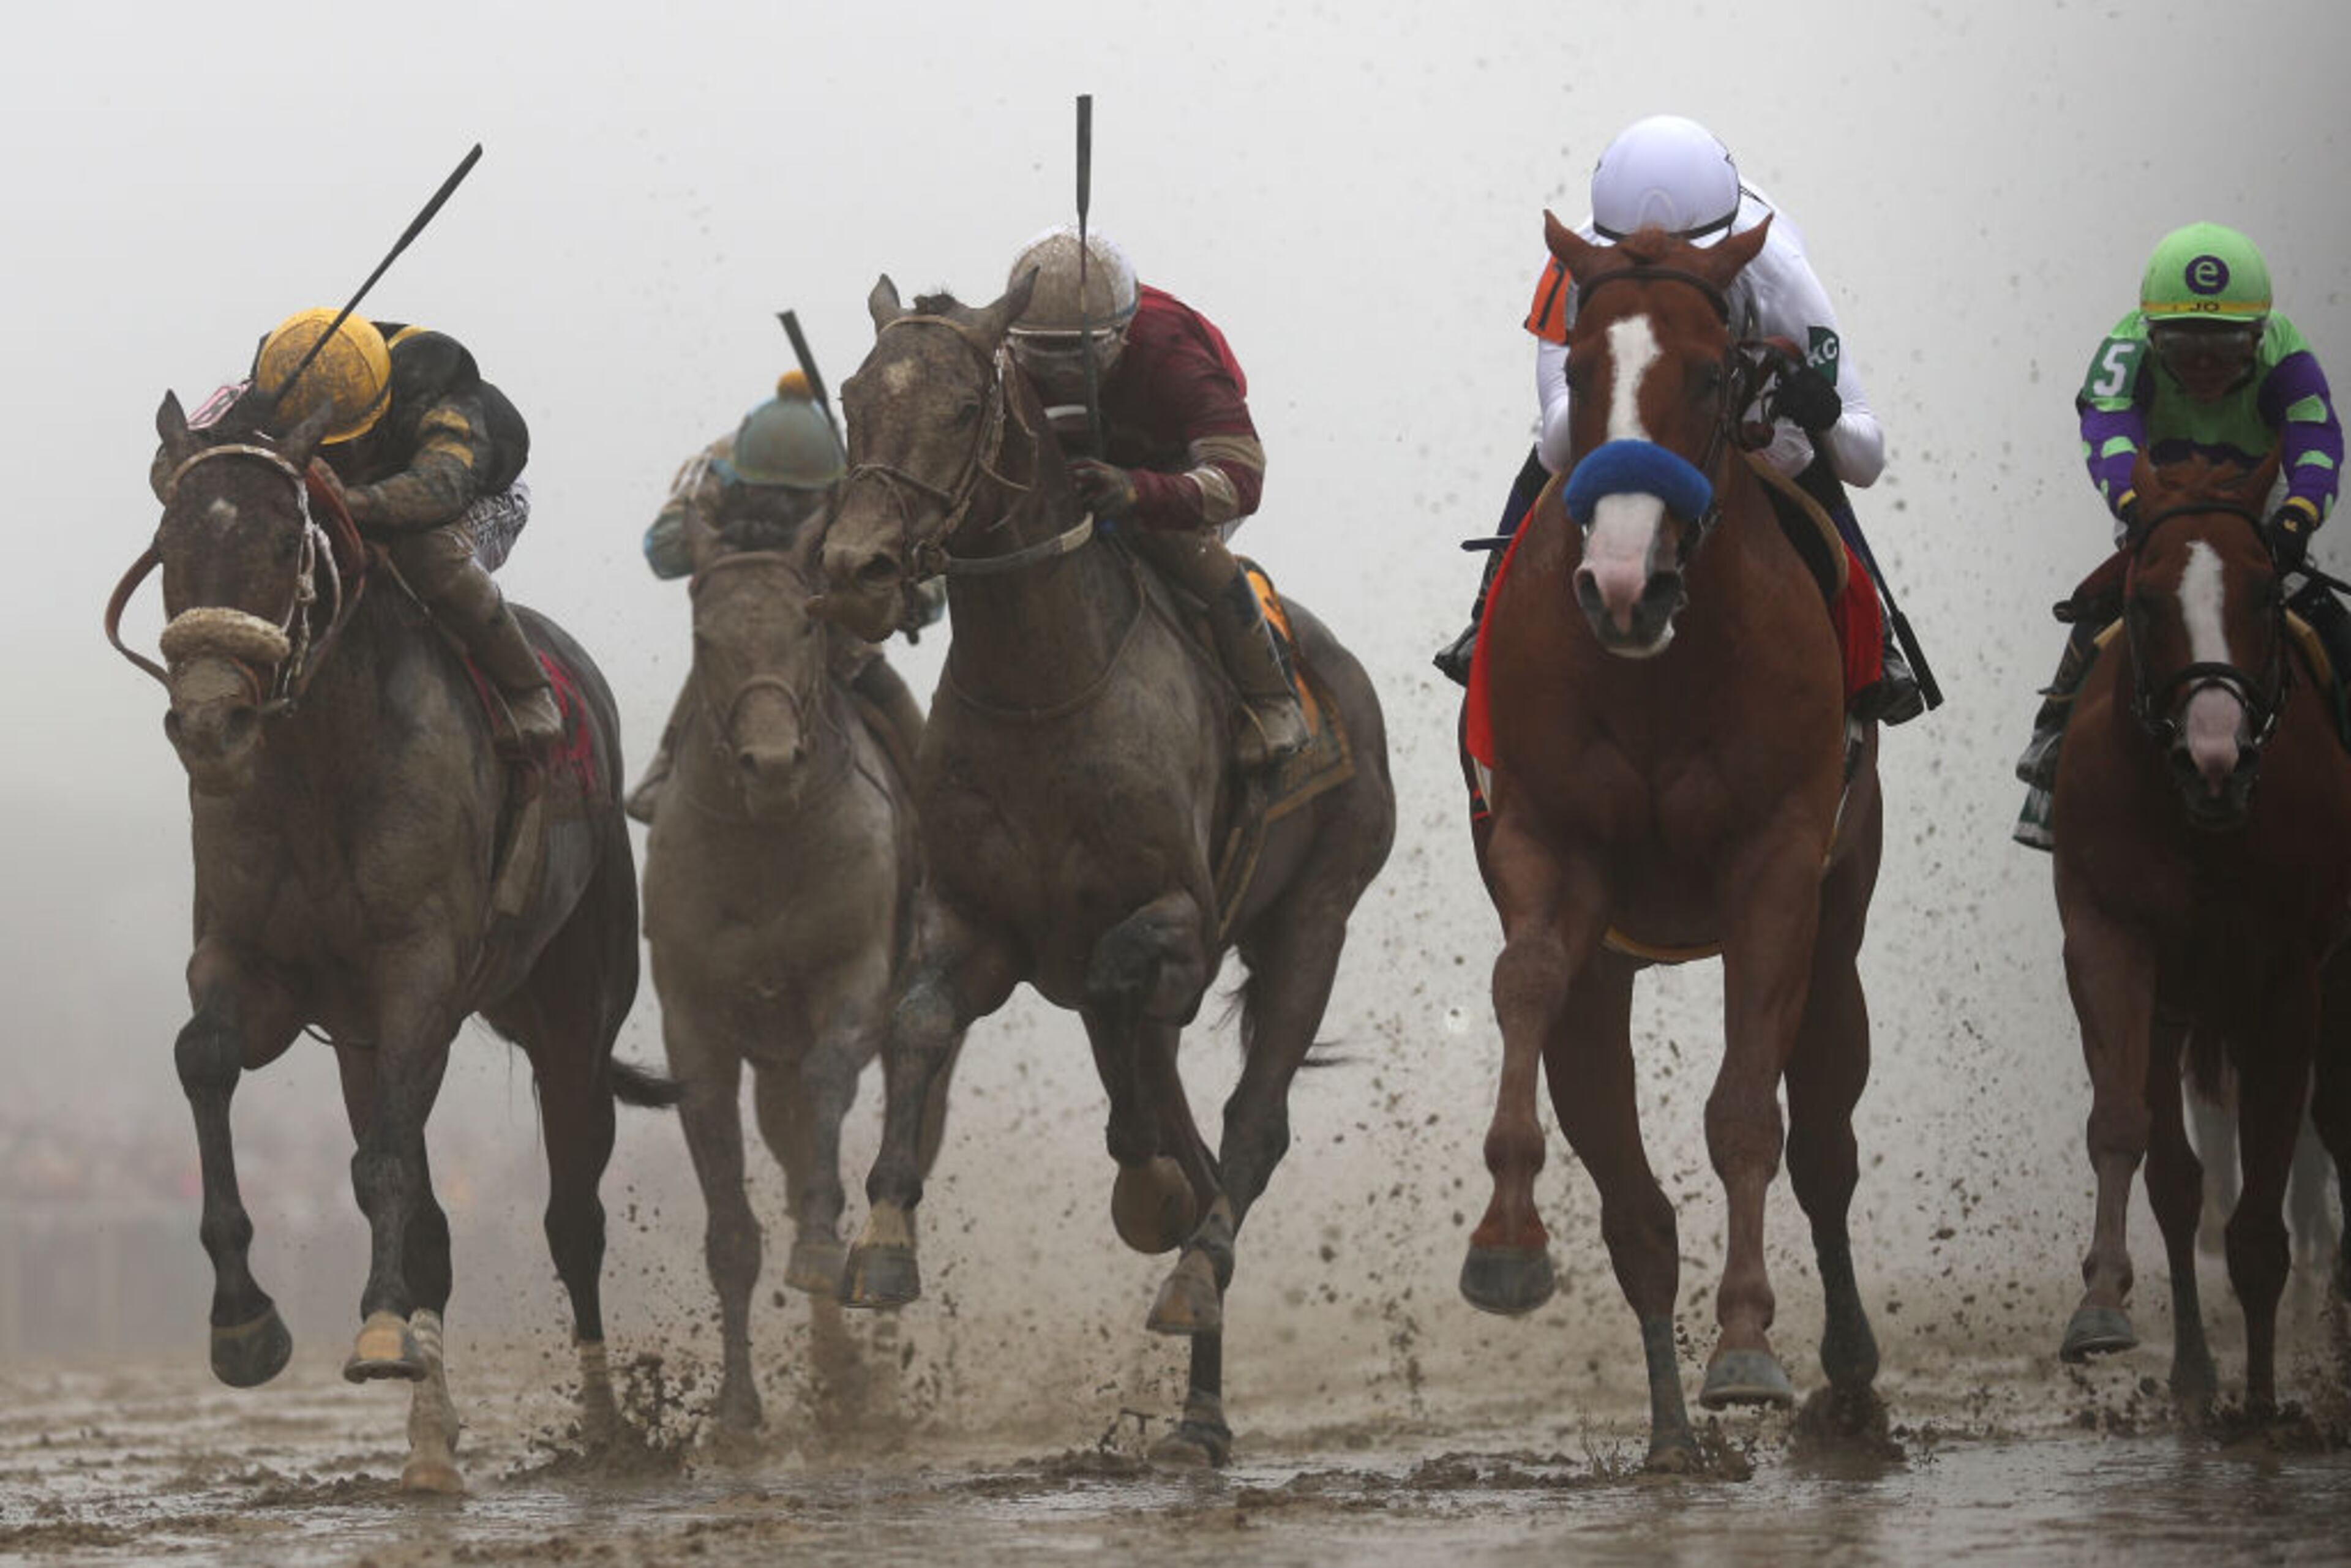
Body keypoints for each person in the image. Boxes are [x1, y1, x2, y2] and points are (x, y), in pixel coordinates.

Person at [1434, 113, 1922, 733]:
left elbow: (1865, 458)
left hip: (1743, 401)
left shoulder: (1779, 269)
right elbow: (1559, 441)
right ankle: (1485, 614)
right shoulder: (1576, 266)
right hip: (1630, 402)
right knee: (1551, 453)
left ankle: (1875, 643)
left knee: (1798, 456)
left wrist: (1820, 409)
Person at [2013, 221, 2346, 849]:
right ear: (2152, 335)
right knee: (2114, 600)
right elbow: (2109, 432)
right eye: (2184, 347)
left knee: (2326, 620)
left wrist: (2299, 514)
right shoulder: (2123, 350)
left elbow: (2316, 439)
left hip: (2257, 497)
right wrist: (2135, 503)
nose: (2201, 367)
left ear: (2259, 337)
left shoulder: (2290, 354)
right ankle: (2052, 739)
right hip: (2159, 491)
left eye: (2223, 352)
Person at [158, 309, 560, 745]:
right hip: (362, 487)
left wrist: (350, 501)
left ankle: (526, 688)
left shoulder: (440, 388)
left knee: (429, 554)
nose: (335, 453)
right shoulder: (277, 378)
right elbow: (170, 460)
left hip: (480, 494)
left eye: (344, 443)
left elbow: (444, 488)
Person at [1003, 225, 1309, 770]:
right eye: (1044, 359)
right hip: (1064, 462)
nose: (1062, 375)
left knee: (1186, 551)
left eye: (1078, 357)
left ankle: (1270, 697)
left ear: (1121, 334)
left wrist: (1139, 492)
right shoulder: (1003, 364)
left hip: (1170, 467)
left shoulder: (1174, 352)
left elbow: (1241, 476)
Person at [625, 372, 932, 823]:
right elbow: (664, 552)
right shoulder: (720, 468)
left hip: (838, 631)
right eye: (771, 491)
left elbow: (921, 581)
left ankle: (938, 803)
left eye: (800, 496)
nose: (786, 501)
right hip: (751, 627)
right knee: (722, 667)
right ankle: (664, 764)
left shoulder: (857, 481)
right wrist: (719, 527)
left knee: (882, 685)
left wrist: (908, 591)